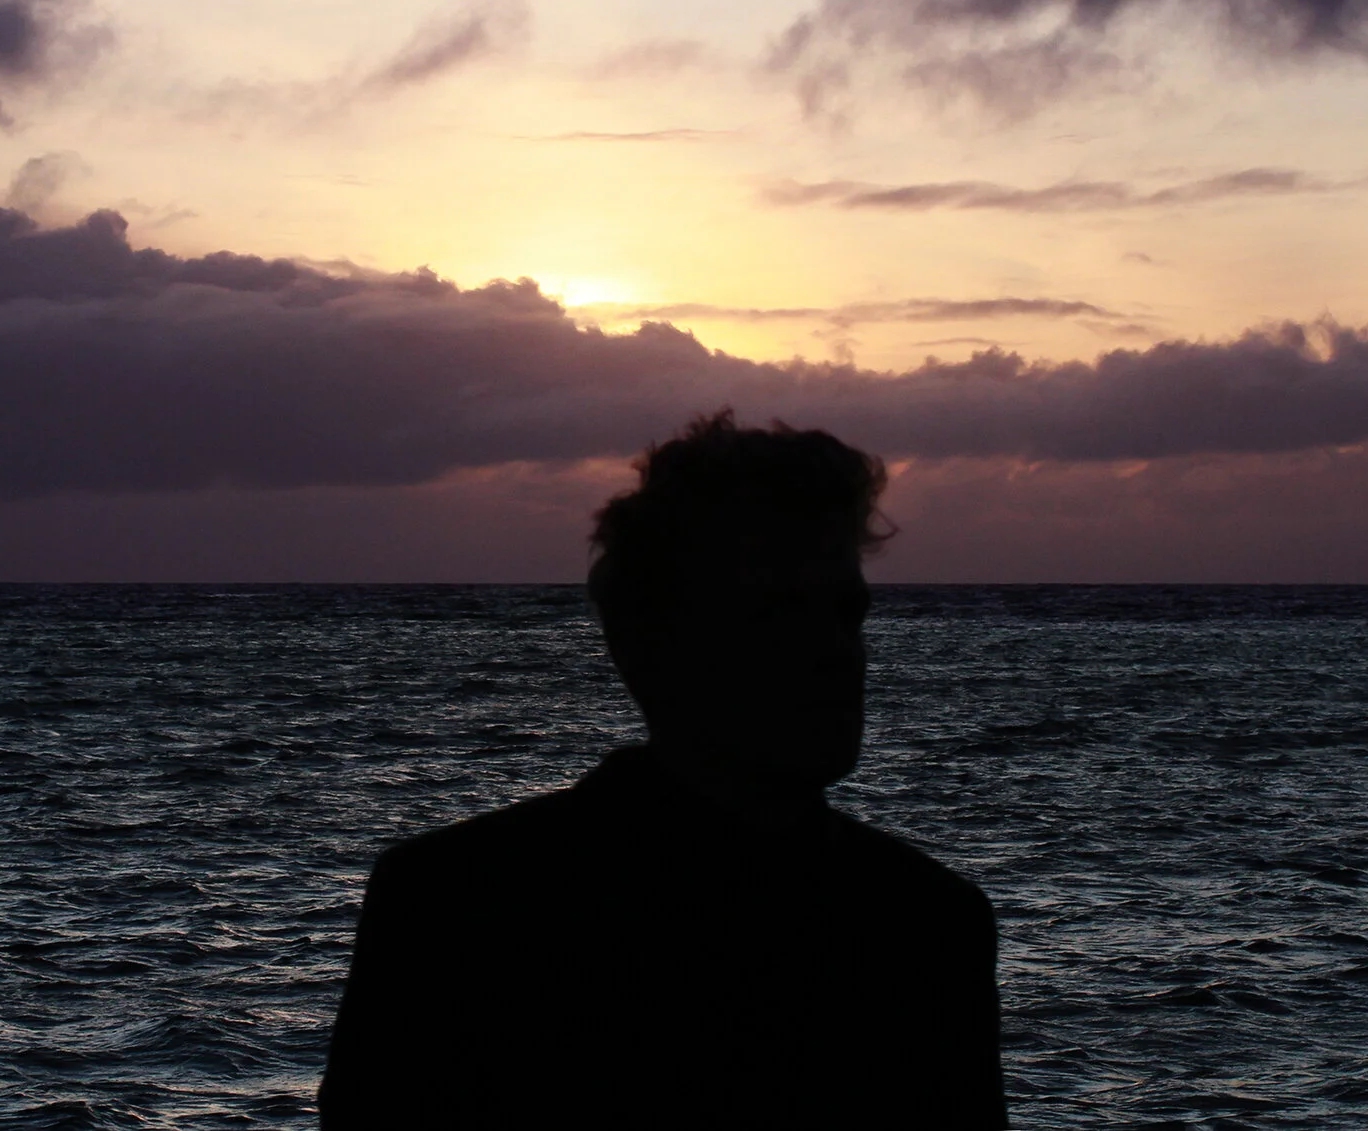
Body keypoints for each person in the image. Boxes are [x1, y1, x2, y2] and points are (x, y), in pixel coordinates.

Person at [319, 411, 1005, 1128]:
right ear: (648, 641)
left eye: (847, 614)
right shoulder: (458, 911)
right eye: (777, 613)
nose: (836, 650)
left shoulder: (931, 927)